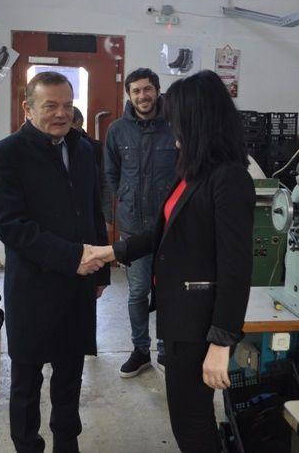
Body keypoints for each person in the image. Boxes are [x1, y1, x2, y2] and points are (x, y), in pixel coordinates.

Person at [88, 70, 255, 452]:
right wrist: (112, 251)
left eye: (177, 118)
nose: (171, 127)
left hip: (200, 326)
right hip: (178, 317)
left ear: (198, 121)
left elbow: (236, 267)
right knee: (186, 419)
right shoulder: (193, 172)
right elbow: (162, 234)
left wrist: (221, 342)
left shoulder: (229, 178)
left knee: (192, 424)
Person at [0, 71, 110, 453]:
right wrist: (74, 257)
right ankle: (27, 445)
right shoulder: (3, 156)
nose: (61, 114)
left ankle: (67, 443)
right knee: (27, 379)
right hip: (33, 286)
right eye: (50, 105)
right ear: (28, 108)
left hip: (78, 284)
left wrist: (101, 270)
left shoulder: (84, 149)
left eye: (68, 105)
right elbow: (12, 227)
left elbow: (93, 212)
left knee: (70, 374)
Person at [104, 67, 177, 377]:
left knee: (169, 292)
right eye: (136, 91)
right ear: (129, 95)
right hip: (134, 226)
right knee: (137, 293)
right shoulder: (117, 131)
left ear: (157, 91)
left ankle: (166, 348)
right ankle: (141, 350)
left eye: (147, 89)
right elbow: (110, 174)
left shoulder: (175, 127)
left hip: (170, 228)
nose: (142, 96)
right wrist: (123, 201)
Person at [71, 107, 112, 225]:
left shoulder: (94, 148)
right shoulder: (54, 146)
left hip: (90, 212)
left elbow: (105, 182)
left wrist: (107, 216)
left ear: (80, 122)